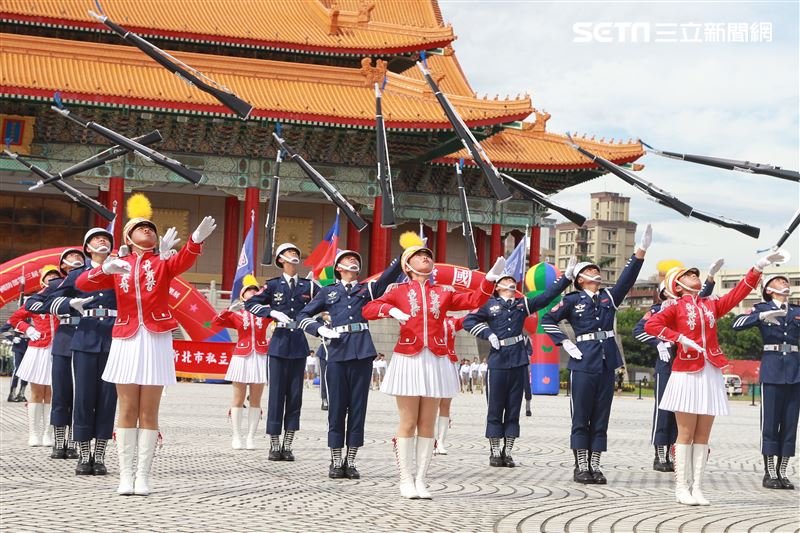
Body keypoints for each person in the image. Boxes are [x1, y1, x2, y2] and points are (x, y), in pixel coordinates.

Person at [77, 194, 216, 496]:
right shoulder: (118, 265)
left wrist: (194, 240)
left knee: (149, 411)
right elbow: (82, 284)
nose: (149, 231)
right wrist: (104, 269)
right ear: (128, 236)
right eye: (142, 228)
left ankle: (143, 475)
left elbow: (184, 260)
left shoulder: (162, 263)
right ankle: (125, 476)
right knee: (126, 408)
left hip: (155, 337)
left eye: (151, 228)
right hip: (126, 337)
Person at [362, 231, 504, 499]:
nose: (426, 258)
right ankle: (405, 478)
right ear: (407, 266)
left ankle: (421, 480)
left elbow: (474, 300)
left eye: (428, 255)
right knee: (408, 421)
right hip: (408, 358)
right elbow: (368, 309)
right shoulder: (398, 290)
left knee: (427, 423)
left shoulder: (444, 293)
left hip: (435, 358)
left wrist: (491, 279)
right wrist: (390, 310)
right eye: (419, 255)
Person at [645, 249, 785, 505]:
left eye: (695, 274)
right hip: (686, 371)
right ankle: (681, 487)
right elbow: (650, 326)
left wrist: (757, 267)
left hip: (710, 369)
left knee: (703, 435)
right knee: (685, 433)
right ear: (677, 283)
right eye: (689, 274)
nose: (694, 276)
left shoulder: (710, 304)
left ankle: (697, 487)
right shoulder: (675, 306)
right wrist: (679, 338)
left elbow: (737, 294)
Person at [542, 224, 652, 485]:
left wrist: (641, 251)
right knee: (581, 415)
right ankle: (580, 465)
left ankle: (595, 464)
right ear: (580, 279)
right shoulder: (571, 300)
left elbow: (627, 279)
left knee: (601, 415)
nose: (596, 273)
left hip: (606, 362)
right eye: (590, 271)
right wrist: (565, 343)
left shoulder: (608, 298)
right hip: (583, 361)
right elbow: (547, 319)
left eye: (597, 270)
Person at [297, 249, 401, 479]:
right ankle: (335, 460)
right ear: (338, 267)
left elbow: (389, 275)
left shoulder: (367, 289)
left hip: (362, 352)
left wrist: (405, 255)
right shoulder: (328, 292)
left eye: (356, 258)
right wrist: (320, 329)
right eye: (348, 259)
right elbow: (302, 315)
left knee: (358, 408)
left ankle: (350, 460)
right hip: (337, 351)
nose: (353, 260)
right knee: (336, 408)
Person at [463, 259, 574, 468]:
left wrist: (565, 278)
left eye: (513, 281)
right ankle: (495, 450)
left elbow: (546, 296)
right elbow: (468, 321)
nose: (512, 284)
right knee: (495, 408)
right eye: (506, 280)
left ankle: (508, 450)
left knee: (514, 408)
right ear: (498, 286)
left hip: (518, 361)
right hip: (498, 360)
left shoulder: (522, 305)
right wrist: (487, 333)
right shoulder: (488, 304)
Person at [42, 228, 119, 475]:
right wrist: (67, 304)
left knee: (108, 400)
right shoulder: (77, 275)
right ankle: (84, 456)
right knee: (83, 398)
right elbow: (43, 299)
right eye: (96, 239)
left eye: (106, 238)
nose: (102, 240)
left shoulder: (121, 269)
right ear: (87, 248)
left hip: (114, 339)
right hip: (85, 338)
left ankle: (100, 456)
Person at [634, 267, 717, 473]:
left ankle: (676, 452)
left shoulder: (688, 308)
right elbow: (639, 330)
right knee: (663, 410)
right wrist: (658, 343)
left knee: (684, 410)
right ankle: (660, 453)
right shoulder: (658, 310)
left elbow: (702, 299)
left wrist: (710, 279)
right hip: (667, 364)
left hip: (688, 364)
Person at [245, 243, 318, 462]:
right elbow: (251, 304)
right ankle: (274, 444)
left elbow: (327, 299)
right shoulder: (273, 285)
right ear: (280, 260)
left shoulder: (309, 286)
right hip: (278, 345)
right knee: (276, 396)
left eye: (297, 252)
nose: (294, 255)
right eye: (289, 253)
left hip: (298, 344)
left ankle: (288, 444)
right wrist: (271, 312)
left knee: (295, 397)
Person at [732, 273, 799, 490]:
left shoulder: (797, 311)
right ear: (769, 289)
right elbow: (737, 324)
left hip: (795, 371)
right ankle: (769, 471)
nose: (785, 283)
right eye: (779, 281)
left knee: (790, 424)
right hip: (772, 371)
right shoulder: (761, 309)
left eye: (786, 281)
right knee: (770, 423)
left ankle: (782, 471)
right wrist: (761, 317)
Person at [27, 247, 87, 460]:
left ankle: (74, 441)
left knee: (82, 394)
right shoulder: (56, 284)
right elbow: (32, 304)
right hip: (64, 338)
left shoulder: (91, 280)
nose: (76, 258)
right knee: (61, 393)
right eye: (70, 257)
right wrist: (60, 305)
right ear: (62, 266)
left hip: (87, 337)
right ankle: (59, 442)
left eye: (80, 256)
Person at [211, 275, 271, 451]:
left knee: (256, 400)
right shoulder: (236, 313)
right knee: (237, 399)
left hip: (260, 355)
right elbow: (215, 322)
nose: (252, 292)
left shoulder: (266, 312)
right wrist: (230, 309)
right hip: (241, 356)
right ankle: (237, 436)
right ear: (242, 295)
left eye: (255, 290)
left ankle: (251, 437)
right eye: (248, 290)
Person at [9, 265, 61, 447]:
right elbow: (15, 319)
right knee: (37, 392)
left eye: (56, 276)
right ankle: (34, 433)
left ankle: (48, 433)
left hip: (58, 349)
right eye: (49, 276)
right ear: (42, 280)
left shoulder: (62, 299)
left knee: (53, 393)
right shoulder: (33, 300)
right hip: (38, 349)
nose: (52, 279)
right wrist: (28, 329)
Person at [435, 315, 466, 456]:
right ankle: (428, 439)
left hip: (448, 362)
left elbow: (472, 315)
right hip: (432, 362)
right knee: (429, 403)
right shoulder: (427, 315)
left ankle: (440, 441)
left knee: (445, 404)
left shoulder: (453, 321)